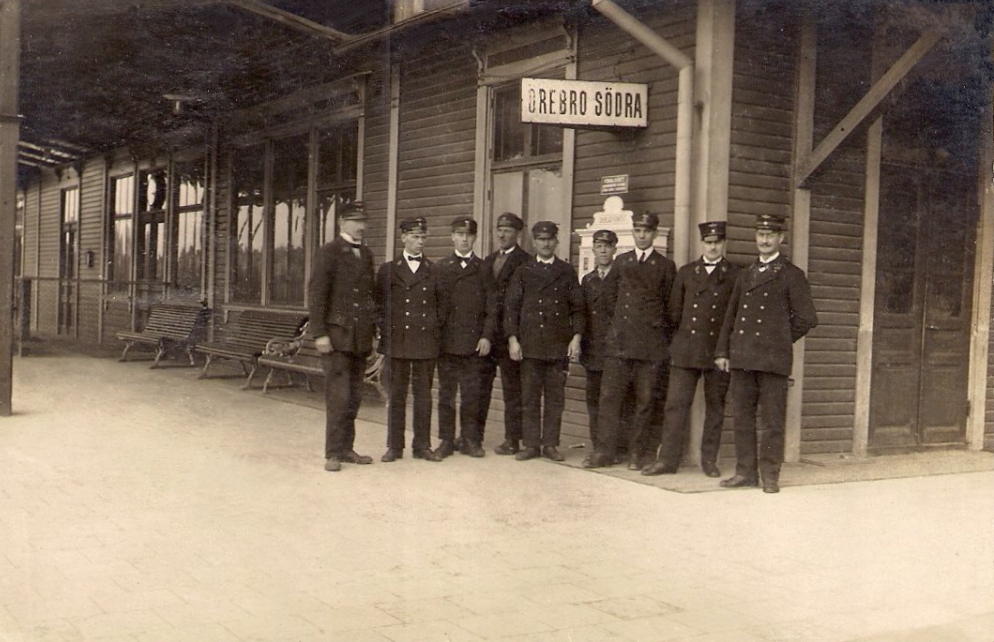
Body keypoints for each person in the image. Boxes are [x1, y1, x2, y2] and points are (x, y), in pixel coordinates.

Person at [714, 213, 818, 493]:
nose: (764, 240)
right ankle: (745, 473)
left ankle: (770, 475)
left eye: (770, 235)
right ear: (755, 237)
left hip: (773, 360)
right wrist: (723, 350)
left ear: (780, 239)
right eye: (760, 234)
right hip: (743, 357)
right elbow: (731, 314)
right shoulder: (745, 274)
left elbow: (807, 318)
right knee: (742, 417)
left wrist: (780, 338)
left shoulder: (791, 275)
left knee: (772, 421)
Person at [643, 221, 741, 477]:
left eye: (717, 242)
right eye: (708, 242)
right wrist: (675, 345)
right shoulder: (686, 272)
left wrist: (726, 351)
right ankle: (667, 460)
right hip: (686, 350)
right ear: (702, 244)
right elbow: (674, 313)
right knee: (675, 406)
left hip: (717, 353)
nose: (713, 247)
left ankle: (709, 461)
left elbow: (735, 318)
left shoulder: (734, 274)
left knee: (715, 407)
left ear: (724, 244)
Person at [586, 211, 677, 470]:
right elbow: (608, 298)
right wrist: (617, 329)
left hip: (650, 347)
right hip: (619, 345)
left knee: (644, 402)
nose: (642, 235)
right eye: (638, 230)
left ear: (655, 234)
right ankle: (604, 451)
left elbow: (671, 309)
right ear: (633, 233)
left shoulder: (664, 266)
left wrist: (658, 335)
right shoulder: (622, 262)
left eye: (647, 231)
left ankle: (637, 454)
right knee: (609, 400)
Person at [504, 221, 584, 462]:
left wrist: (576, 337)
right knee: (529, 397)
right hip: (530, 346)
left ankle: (550, 444)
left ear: (556, 241)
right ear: (534, 242)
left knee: (555, 399)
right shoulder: (524, 270)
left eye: (550, 239)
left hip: (557, 346)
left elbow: (578, 308)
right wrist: (513, 340)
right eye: (540, 239)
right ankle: (530, 445)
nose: (546, 244)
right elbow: (512, 308)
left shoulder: (566, 271)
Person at [308, 201, 377, 472]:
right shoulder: (329, 252)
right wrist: (320, 333)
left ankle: (347, 449)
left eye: (364, 221)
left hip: (360, 338)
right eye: (355, 221)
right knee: (338, 396)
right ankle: (333, 453)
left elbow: (369, 296)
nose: (361, 227)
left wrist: (372, 332)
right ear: (342, 223)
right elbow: (316, 295)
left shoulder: (367, 254)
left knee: (354, 396)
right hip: (336, 337)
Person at [375, 216, 444, 463]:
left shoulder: (435, 270)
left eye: (423, 237)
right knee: (397, 396)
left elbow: (441, 307)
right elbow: (380, 307)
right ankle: (395, 446)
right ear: (403, 237)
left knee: (424, 396)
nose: (420, 242)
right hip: (398, 341)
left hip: (426, 342)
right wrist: (385, 337)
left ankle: (422, 446)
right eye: (415, 236)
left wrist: (436, 336)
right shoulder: (388, 270)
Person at [434, 216, 494, 459]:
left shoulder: (484, 268)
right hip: (447, 343)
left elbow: (492, 307)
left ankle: (469, 440)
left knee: (472, 395)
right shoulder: (441, 267)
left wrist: (487, 336)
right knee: (446, 395)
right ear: (452, 237)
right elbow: (434, 305)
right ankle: (446, 441)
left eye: (469, 235)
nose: (464, 239)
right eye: (459, 234)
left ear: (475, 238)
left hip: (473, 344)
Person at [479, 212, 530, 455]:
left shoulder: (525, 262)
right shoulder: (488, 261)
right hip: (488, 336)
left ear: (518, 234)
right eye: (499, 229)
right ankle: (473, 437)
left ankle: (513, 439)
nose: (501, 234)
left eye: (507, 230)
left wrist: (515, 337)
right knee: (480, 387)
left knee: (513, 390)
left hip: (511, 336)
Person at [579, 230, 620, 468]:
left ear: (615, 249)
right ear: (593, 249)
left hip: (615, 352)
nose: (603, 250)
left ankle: (609, 451)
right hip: (593, 352)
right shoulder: (588, 280)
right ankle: (598, 448)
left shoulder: (621, 278)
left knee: (612, 402)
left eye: (607, 245)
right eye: (598, 245)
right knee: (594, 401)